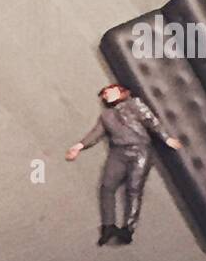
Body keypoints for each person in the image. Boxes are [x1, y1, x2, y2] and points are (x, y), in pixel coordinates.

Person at [66, 83, 181, 244]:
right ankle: (108, 226)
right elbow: (96, 133)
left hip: (140, 151)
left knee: (134, 189)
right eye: (105, 94)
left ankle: (128, 228)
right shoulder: (106, 116)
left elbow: (152, 121)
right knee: (107, 187)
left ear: (122, 92)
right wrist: (79, 146)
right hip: (118, 152)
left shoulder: (135, 104)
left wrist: (166, 138)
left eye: (110, 91)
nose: (107, 95)